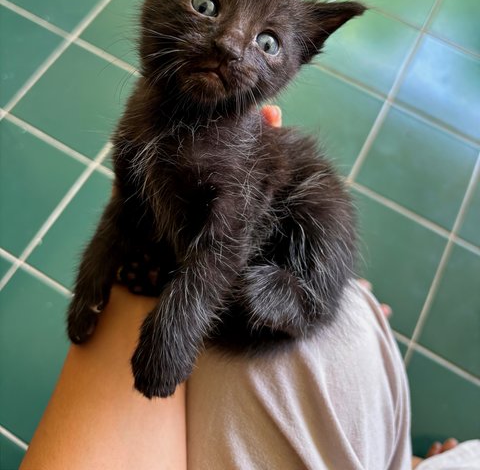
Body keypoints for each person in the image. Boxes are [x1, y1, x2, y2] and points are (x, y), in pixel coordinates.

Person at [20, 106, 475, 470]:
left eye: (268, 43)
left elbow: (217, 247)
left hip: (285, 293)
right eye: (205, 6)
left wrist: (134, 279)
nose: (232, 46)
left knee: (308, 245)